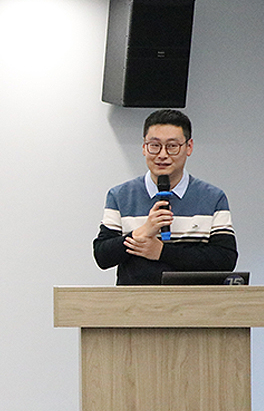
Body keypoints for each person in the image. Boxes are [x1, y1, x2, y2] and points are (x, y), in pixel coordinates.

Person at [93, 109, 237, 285]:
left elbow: (225, 259)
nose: (162, 155)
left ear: (189, 147)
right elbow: (102, 256)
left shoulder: (213, 197)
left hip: (193, 299)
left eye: (172, 146)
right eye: (154, 145)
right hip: (136, 300)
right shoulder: (120, 195)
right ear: (144, 148)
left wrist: (162, 252)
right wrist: (142, 232)